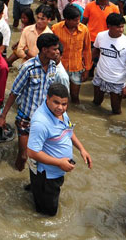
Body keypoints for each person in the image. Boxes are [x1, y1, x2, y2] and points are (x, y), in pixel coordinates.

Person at [0, 33, 69, 171]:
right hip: (26, 118)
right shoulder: (28, 68)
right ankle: (17, 172)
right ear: (44, 50)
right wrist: (3, 116)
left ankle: (33, 180)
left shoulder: (54, 67)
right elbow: (14, 92)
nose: (57, 51)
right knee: (23, 156)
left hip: (44, 120)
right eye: (54, 49)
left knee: (39, 157)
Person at [26, 82, 92, 216]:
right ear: (47, 98)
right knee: (48, 213)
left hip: (53, 172)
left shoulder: (61, 113)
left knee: (38, 192)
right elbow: (32, 152)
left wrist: (82, 149)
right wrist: (59, 163)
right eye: (56, 102)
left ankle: (34, 190)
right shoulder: (41, 123)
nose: (60, 108)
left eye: (64, 104)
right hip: (47, 175)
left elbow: (68, 130)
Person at [92, 13, 126, 115]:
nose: (121, 30)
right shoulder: (100, 36)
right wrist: (86, 67)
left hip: (117, 80)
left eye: (122, 26)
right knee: (96, 103)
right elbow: (95, 51)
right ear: (109, 26)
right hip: (100, 75)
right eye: (118, 27)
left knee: (116, 110)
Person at [52, 4, 92, 104]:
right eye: (75, 20)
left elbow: (87, 50)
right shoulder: (56, 29)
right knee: (58, 95)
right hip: (59, 67)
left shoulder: (84, 30)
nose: (78, 22)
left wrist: (87, 69)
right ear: (66, 19)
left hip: (77, 67)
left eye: (78, 19)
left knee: (75, 96)